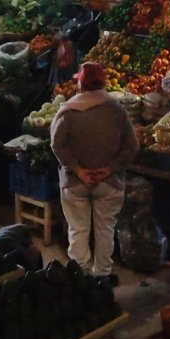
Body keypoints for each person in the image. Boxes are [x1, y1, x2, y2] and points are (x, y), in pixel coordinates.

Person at [50, 62, 139, 280]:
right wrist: (110, 168)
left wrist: (78, 170)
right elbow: (132, 146)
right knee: (105, 230)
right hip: (109, 183)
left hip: (75, 183)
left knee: (78, 230)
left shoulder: (68, 111)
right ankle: (102, 276)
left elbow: (57, 144)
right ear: (104, 83)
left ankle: (78, 275)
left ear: (81, 84)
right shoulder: (117, 110)